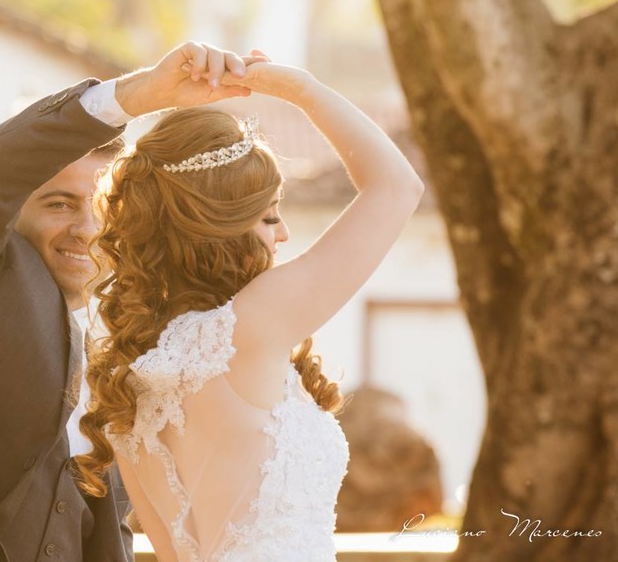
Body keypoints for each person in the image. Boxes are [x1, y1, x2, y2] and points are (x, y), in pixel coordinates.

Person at [0, 43, 261, 562]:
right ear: (9, 212)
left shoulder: (123, 339)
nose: (85, 229)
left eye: (100, 208)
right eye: (59, 204)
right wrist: (140, 94)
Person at [74, 53, 425, 561]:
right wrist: (300, 88)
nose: (282, 234)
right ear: (219, 230)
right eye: (268, 217)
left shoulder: (129, 380)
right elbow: (397, 186)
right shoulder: (248, 326)